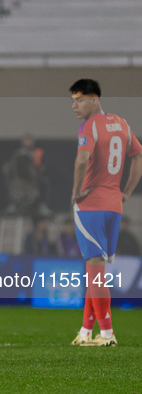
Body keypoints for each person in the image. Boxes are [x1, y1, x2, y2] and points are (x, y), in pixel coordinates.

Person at [69, 79, 142, 347]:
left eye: (80, 99)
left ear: (95, 99)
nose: (75, 106)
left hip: (91, 205)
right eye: (73, 101)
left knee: (95, 272)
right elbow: (139, 155)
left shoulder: (89, 126)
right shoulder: (122, 123)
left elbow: (82, 159)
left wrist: (76, 191)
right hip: (114, 206)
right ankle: (86, 331)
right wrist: (127, 191)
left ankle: (108, 334)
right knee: (96, 272)